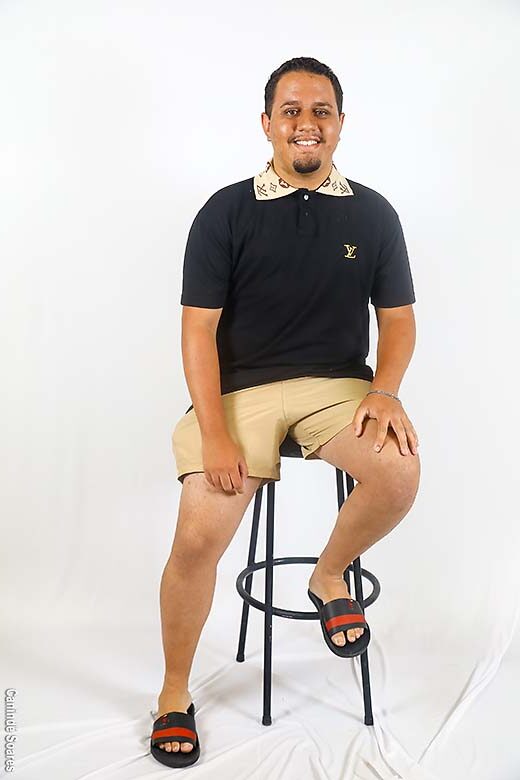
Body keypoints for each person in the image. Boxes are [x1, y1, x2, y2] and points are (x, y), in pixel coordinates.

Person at [150, 56, 421, 767]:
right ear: (268, 123)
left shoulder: (374, 212)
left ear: (340, 124)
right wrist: (214, 433)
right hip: (238, 393)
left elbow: (397, 320)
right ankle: (173, 692)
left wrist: (385, 391)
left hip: (338, 389)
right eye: (292, 111)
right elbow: (198, 332)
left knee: (398, 473)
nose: (307, 123)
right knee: (197, 537)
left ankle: (329, 575)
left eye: (321, 111)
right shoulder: (226, 211)